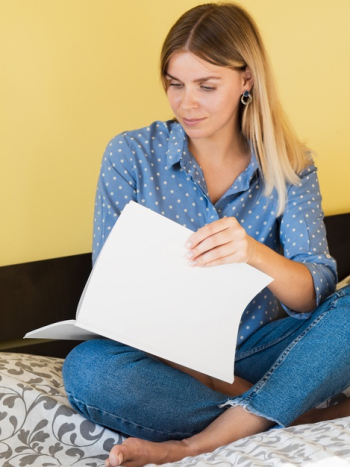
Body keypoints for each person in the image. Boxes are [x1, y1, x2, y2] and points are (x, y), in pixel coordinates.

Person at [62, 3, 350, 467]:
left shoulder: (291, 167)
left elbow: (310, 296)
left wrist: (254, 253)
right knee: (89, 372)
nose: (186, 103)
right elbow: (116, 300)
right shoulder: (131, 155)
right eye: (175, 84)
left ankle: (199, 442)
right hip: (167, 363)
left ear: (247, 80)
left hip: (261, 352)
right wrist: (213, 378)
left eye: (206, 86)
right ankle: (289, 412)